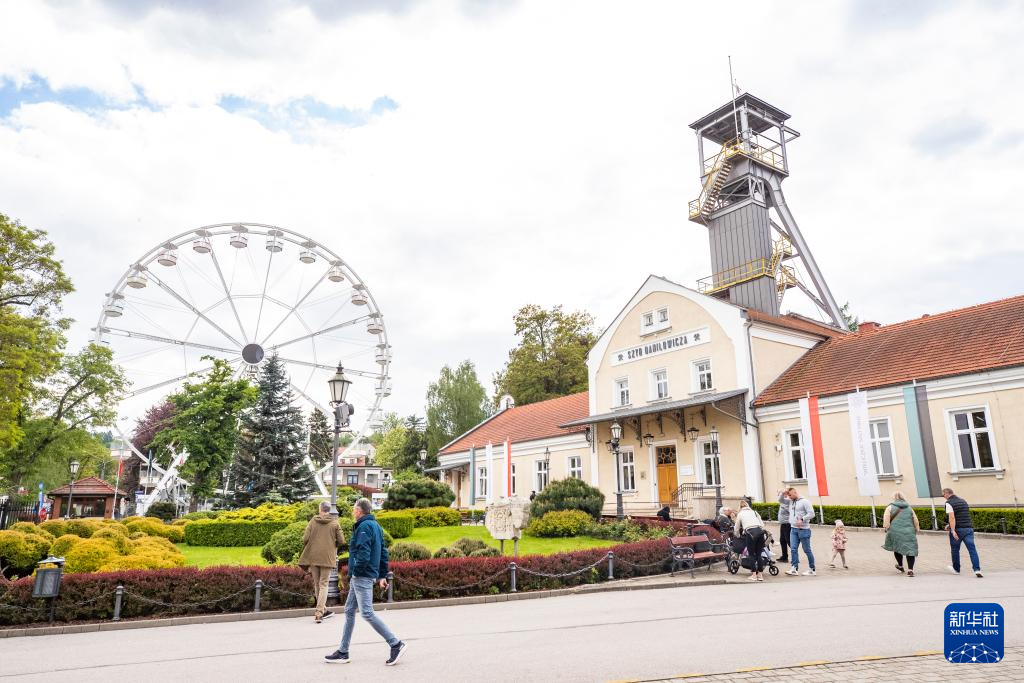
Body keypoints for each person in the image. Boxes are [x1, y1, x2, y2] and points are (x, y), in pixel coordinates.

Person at [325, 498, 407, 666]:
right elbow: (383, 552)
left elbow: (363, 553)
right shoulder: (376, 526)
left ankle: (396, 644)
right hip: (364, 575)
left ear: (359, 511)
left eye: (354, 509)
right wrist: (382, 576)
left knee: (367, 613)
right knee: (349, 610)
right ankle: (343, 652)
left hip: (362, 576)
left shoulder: (363, 527)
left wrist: (356, 572)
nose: (352, 511)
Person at [298, 501, 345, 623]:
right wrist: (332, 545)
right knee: (323, 584)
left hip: (313, 556)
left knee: (317, 584)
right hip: (327, 557)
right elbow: (342, 541)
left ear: (320, 509)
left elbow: (305, 539)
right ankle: (319, 613)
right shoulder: (335, 522)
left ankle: (322, 610)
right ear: (329, 510)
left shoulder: (313, 521)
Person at [943, 487, 983, 578]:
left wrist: (952, 530)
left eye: (943, 495)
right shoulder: (963, 501)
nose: (943, 497)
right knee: (972, 550)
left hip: (958, 530)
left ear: (947, 493)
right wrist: (949, 525)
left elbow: (952, 517)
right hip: (968, 528)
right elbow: (962, 515)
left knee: (955, 549)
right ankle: (977, 569)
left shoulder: (949, 503)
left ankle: (956, 569)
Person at [883, 491, 920, 577]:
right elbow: (915, 519)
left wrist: (886, 527)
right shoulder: (909, 507)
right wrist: (917, 528)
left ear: (894, 498)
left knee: (897, 548)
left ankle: (900, 566)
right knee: (910, 550)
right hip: (909, 531)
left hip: (895, 531)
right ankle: (910, 570)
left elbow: (886, 519)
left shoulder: (890, 507)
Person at [784, 487, 816, 576]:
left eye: (790, 495)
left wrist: (802, 519)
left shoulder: (805, 501)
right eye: (788, 495)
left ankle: (812, 569)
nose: (789, 497)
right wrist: (783, 492)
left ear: (795, 493)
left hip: (803, 530)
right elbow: (781, 500)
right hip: (793, 529)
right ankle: (794, 568)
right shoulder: (791, 501)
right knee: (793, 549)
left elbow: (812, 513)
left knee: (807, 550)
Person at [734, 499, 767, 582]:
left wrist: (737, 535)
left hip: (750, 533)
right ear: (747, 506)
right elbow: (762, 524)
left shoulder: (740, 514)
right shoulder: (754, 512)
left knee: (751, 554)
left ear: (740, 507)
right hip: (760, 532)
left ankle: (754, 575)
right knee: (759, 554)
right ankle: (760, 575)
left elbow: (736, 527)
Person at [776, 488, 791, 564]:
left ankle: (795, 557)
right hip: (783, 524)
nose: (779, 495)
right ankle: (784, 557)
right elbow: (780, 499)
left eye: (780, 494)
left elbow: (780, 500)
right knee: (782, 540)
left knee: (789, 541)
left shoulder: (788, 501)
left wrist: (782, 492)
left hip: (787, 524)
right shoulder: (784, 501)